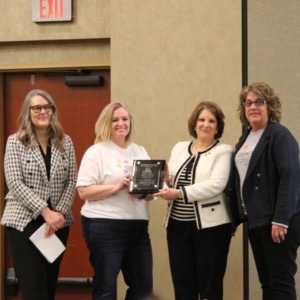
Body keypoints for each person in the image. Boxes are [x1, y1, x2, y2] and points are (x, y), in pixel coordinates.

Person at [227, 82, 300, 300]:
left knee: (281, 284)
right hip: (257, 221)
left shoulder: (279, 135)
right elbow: (239, 182)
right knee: (267, 284)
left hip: (278, 222)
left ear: (270, 106)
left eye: (259, 102)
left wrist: (281, 219)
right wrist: (234, 217)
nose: (253, 107)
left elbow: (291, 177)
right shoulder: (245, 139)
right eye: (248, 103)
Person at [1, 89, 77, 300]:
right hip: (25, 223)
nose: (43, 111)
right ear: (28, 112)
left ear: (53, 111)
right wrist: (46, 212)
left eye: (47, 107)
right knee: (33, 288)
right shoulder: (15, 142)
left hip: (57, 224)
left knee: (49, 285)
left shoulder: (66, 142)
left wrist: (58, 213)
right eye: (37, 107)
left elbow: (72, 181)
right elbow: (15, 183)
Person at [154, 102, 233, 300]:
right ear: (194, 123)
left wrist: (179, 193)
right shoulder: (180, 148)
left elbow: (216, 184)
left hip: (211, 229)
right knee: (183, 286)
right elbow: (170, 179)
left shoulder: (224, 151)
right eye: (202, 119)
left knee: (209, 287)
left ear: (218, 126)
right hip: (177, 227)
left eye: (211, 121)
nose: (206, 125)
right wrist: (161, 178)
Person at [77, 102, 154, 300]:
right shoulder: (96, 152)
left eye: (125, 119)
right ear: (106, 123)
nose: (121, 123)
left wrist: (143, 192)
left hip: (137, 227)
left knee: (143, 288)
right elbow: (84, 192)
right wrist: (116, 187)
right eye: (115, 120)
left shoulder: (140, 151)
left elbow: (150, 194)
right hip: (104, 225)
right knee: (106, 289)